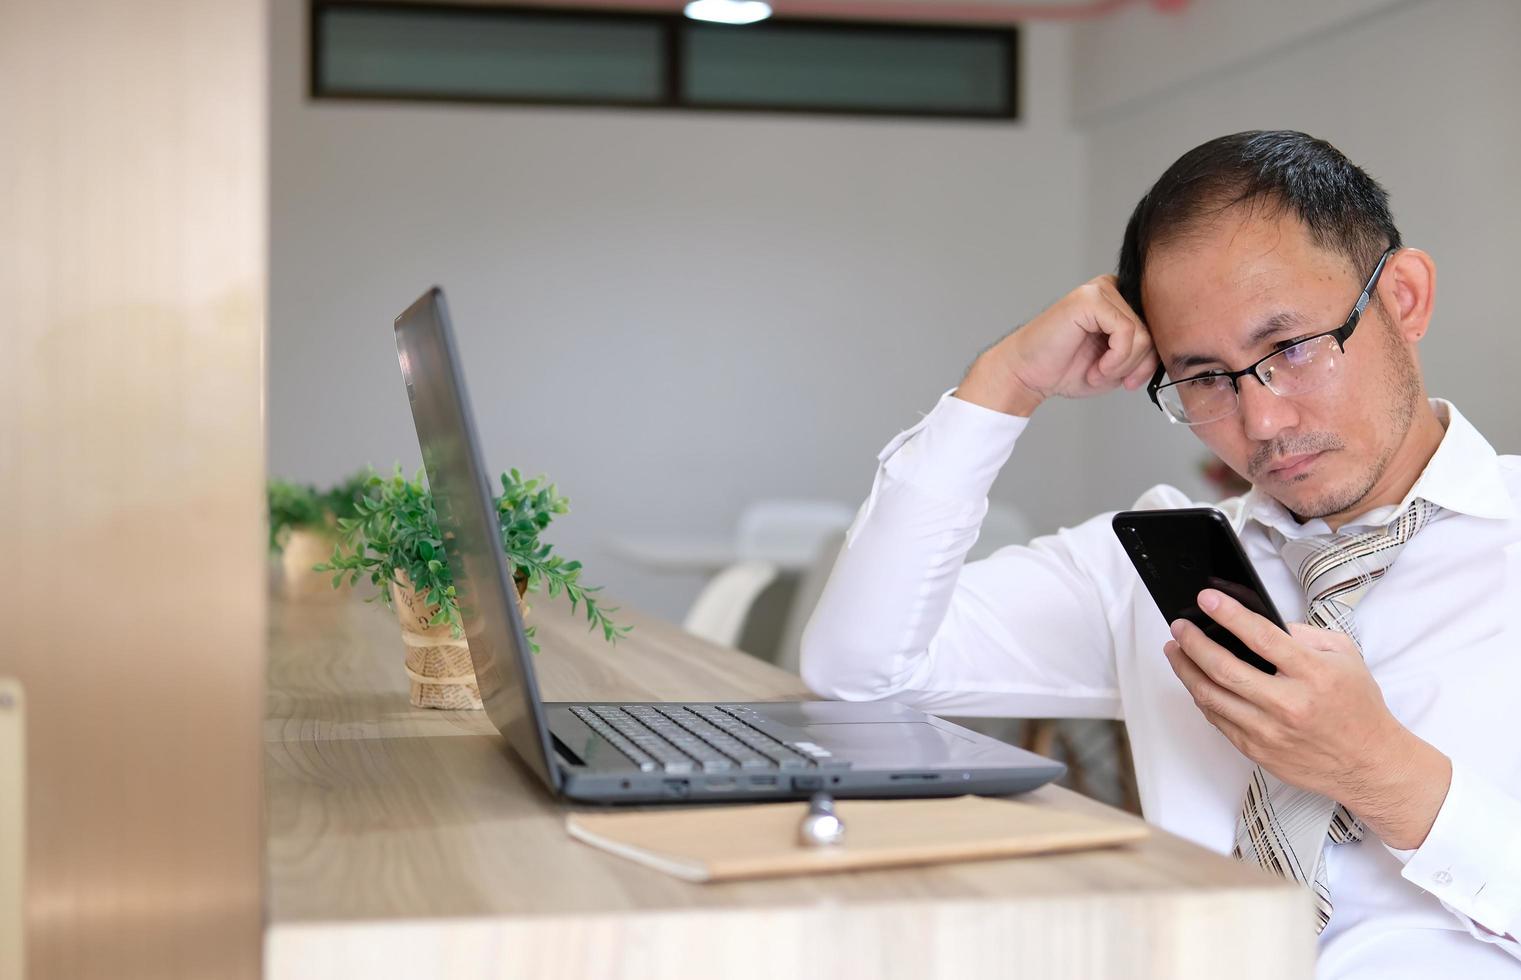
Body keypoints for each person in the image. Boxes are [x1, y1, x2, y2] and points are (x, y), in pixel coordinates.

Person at [800, 131, 1520, 976]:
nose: (1262, 425)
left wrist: (1380, 771)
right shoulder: (1148, 565)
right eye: (1206, 379)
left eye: (1289, 349)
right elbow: (860, 671)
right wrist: (1003, 383)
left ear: (1402, 297)